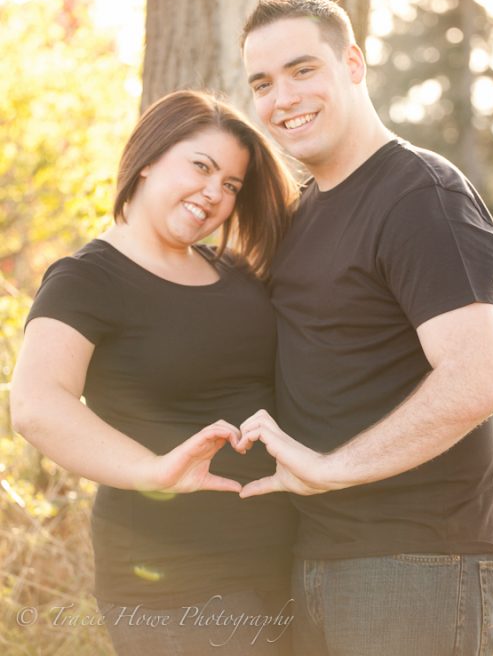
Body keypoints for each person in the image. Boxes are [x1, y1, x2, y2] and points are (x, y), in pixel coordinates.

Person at [236, 0, 493, 656]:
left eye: (303, 70)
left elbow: (476, 380)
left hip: (417, 560)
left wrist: (332, 470)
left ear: (352, 65)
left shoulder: (419, 195)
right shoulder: (302, 210)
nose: (283, 98)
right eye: (263, 83)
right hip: (318, 553)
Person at [10, 89, 300, 656]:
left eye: (231, 185)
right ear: (147, 159)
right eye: (201, 167)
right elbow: (37, 404)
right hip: (173, 579)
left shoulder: (236, 272)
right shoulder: (86, 279)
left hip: (285, 561)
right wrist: (155, 471)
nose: (214, 194)